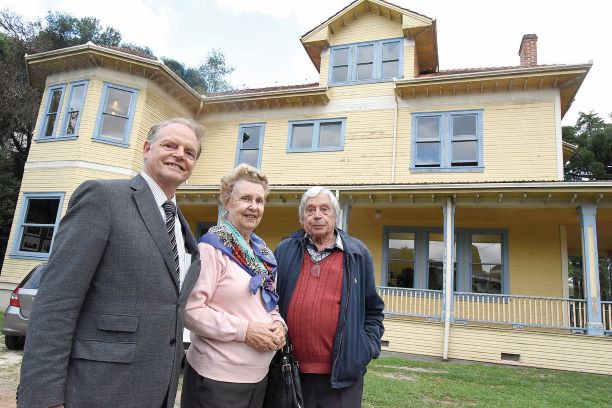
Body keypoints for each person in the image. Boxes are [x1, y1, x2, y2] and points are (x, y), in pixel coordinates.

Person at [18, 118, 205, 408]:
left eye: (189, 152)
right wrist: (44, 398)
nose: (180, 154)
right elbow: (56, 302)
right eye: (170, 145)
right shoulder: (103, 198)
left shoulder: (182, 230)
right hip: (97, 389)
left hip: (157, 393)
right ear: (146, 148)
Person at [181, 164, 286, 408]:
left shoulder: (263, 254)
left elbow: (269, 305)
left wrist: (279, 325)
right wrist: (245, 331)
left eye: (260, 200)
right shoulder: (211, 248)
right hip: (217, 380)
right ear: (226, 202)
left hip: (258, 378)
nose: (254, 206)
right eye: (246, 198)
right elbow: (190, 311)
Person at [274, 186, 385, 408]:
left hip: (342, 377)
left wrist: (365, 349)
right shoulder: (284, 251)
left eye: (324, 209)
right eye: (310, 210)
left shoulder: (357, 254)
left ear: (335, 216)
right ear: (301, 218)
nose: (317, 215)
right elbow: (269, 301)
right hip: (290, 371)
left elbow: (373, 309)